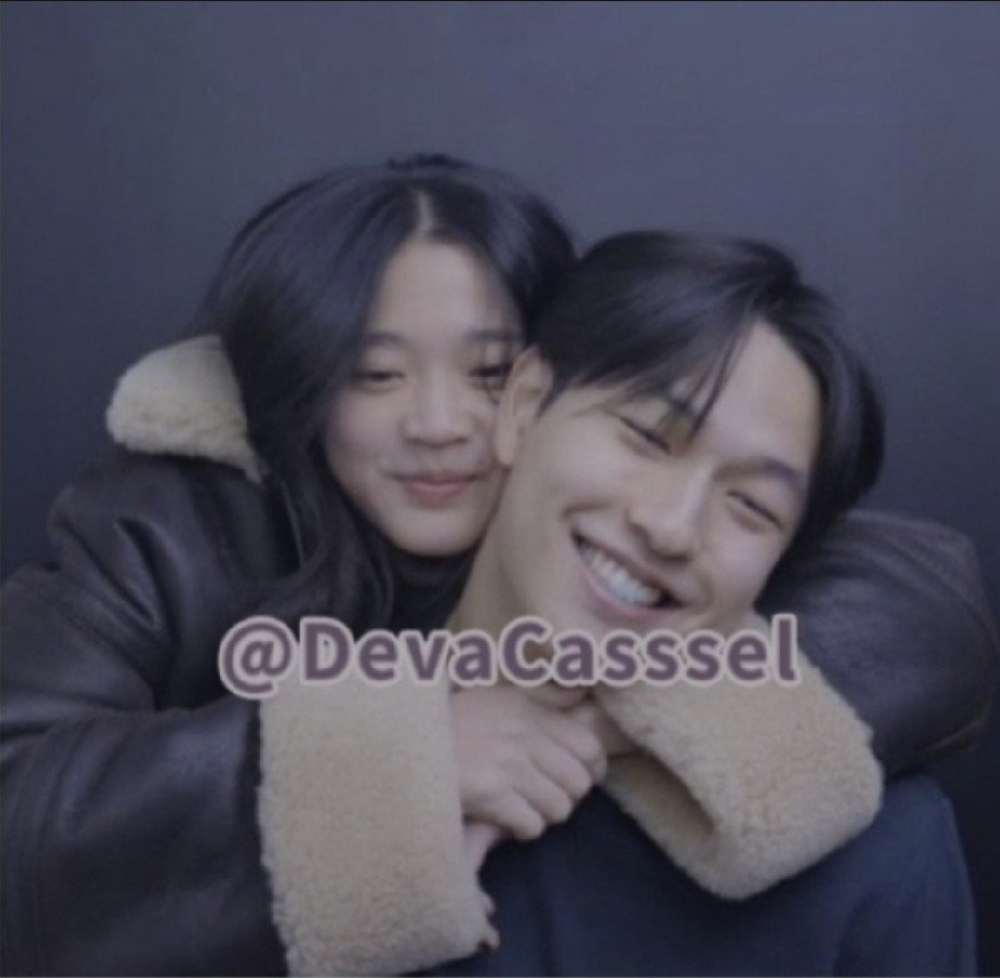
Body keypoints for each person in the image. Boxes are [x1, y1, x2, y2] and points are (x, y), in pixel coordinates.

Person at [1, 157, 994, 975]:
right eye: (375, 372)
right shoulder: (192, 536)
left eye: (484, 371)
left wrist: (606, 719)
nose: (441, 426)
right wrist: (404, 752)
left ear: (525, 388)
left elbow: (921, 611)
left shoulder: (877, 850)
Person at [263, 230, 975, 975]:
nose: (671, 526)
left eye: (751, 506)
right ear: (524, 405)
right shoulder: (284, 734)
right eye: (646, 435)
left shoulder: (876, 858)